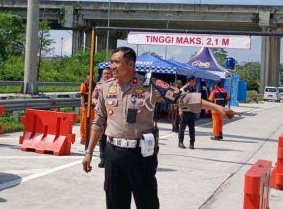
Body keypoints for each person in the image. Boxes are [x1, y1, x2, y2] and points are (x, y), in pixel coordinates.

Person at [82, 47, 235, 209]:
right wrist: (89, 152)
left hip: (140, 154)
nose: (112, 66)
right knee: (114, 201)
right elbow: (98, 123)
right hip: (113, 153)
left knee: (147, 201)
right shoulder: (106, 88)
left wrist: (219, 108)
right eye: (111, 62)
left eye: (117, 62)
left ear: (130, 63)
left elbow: (183, 98)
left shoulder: (151, 86)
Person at [92, 67, 113, 167]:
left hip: (111, 115)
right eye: (104, 73)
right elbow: (93, 98)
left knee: (111, 137)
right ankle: (102, 159)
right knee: (101, 138)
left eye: (108, 73)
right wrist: (99, 104)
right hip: (100, 114)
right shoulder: (99, 85)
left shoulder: (115, 85)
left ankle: (110, 159)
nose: (106, 75)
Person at [178, 75, 198, 149]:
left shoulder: (193, 89)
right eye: (194, 80)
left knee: (192, 128)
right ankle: (180, 142)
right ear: (191, 81)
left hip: (192, 111)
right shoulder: (183, 89)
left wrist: (197, 109)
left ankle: (192, 143)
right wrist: (180, 110)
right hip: (184, 111)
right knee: (182, 128)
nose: (195, 82)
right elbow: (179, 100)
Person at [79, 74, 93, 145]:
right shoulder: (84, 84)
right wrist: (83, 106)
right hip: (86, 107)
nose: (90, 76)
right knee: (84, 124)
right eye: (89, 75)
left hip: (92, 107)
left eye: (92, 75)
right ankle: (83, 139)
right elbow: (82, 95)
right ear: (87, 76)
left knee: (91, 124)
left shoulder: (95, 84)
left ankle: (89, 138)